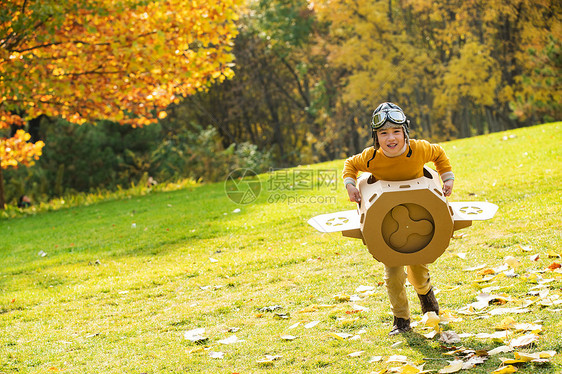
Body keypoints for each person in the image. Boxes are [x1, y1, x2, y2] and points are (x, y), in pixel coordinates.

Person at [342, 102, 455, 336]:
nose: (390, 138)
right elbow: (350, 165)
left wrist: (447, 178)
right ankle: (401, 320)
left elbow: (439, 154)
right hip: (387, 222)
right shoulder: (372, 157)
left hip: (419, 215)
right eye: (383, 133)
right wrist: (350, 185)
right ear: (376, 137)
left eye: (396, 131)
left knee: (418, 268)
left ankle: (426, 298)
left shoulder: (420, 149)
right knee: (393, 274)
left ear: (405, 132)